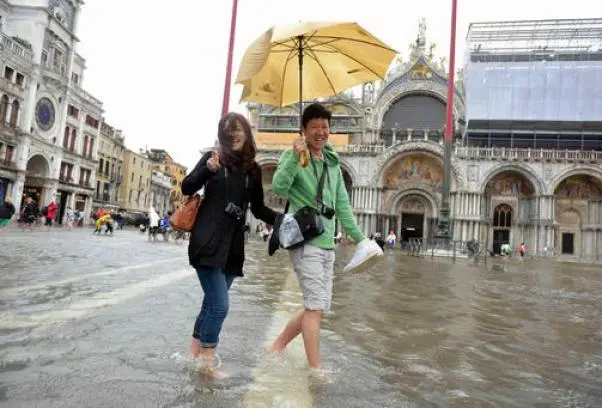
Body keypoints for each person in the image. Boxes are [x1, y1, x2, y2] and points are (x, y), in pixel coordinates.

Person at [268, 103, 368, 372]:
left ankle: (277, 345)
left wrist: (361, 239)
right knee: (314, 307)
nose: (321, 132)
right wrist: (293, 157)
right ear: (304, 130)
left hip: (327, 244)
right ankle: (316, 368)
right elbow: (279, 187)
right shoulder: (295, 157)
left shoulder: (333, 164)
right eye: (315, 127)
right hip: (305, 242)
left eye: (325, 126)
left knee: (319, 306)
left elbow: (342, 205)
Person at [182, 112, 278, 377]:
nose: (232, 134)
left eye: (237, 129)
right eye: (226, 131)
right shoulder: (213, 159)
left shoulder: (253, 170)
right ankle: (207, 363)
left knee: (210, 304)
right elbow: (187, 186)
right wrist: (207, 170)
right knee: (220, 306)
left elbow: (257, 208)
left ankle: (193, 353)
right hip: (208, 238)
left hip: (234, 245)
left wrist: (282, 219)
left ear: (246, 132)